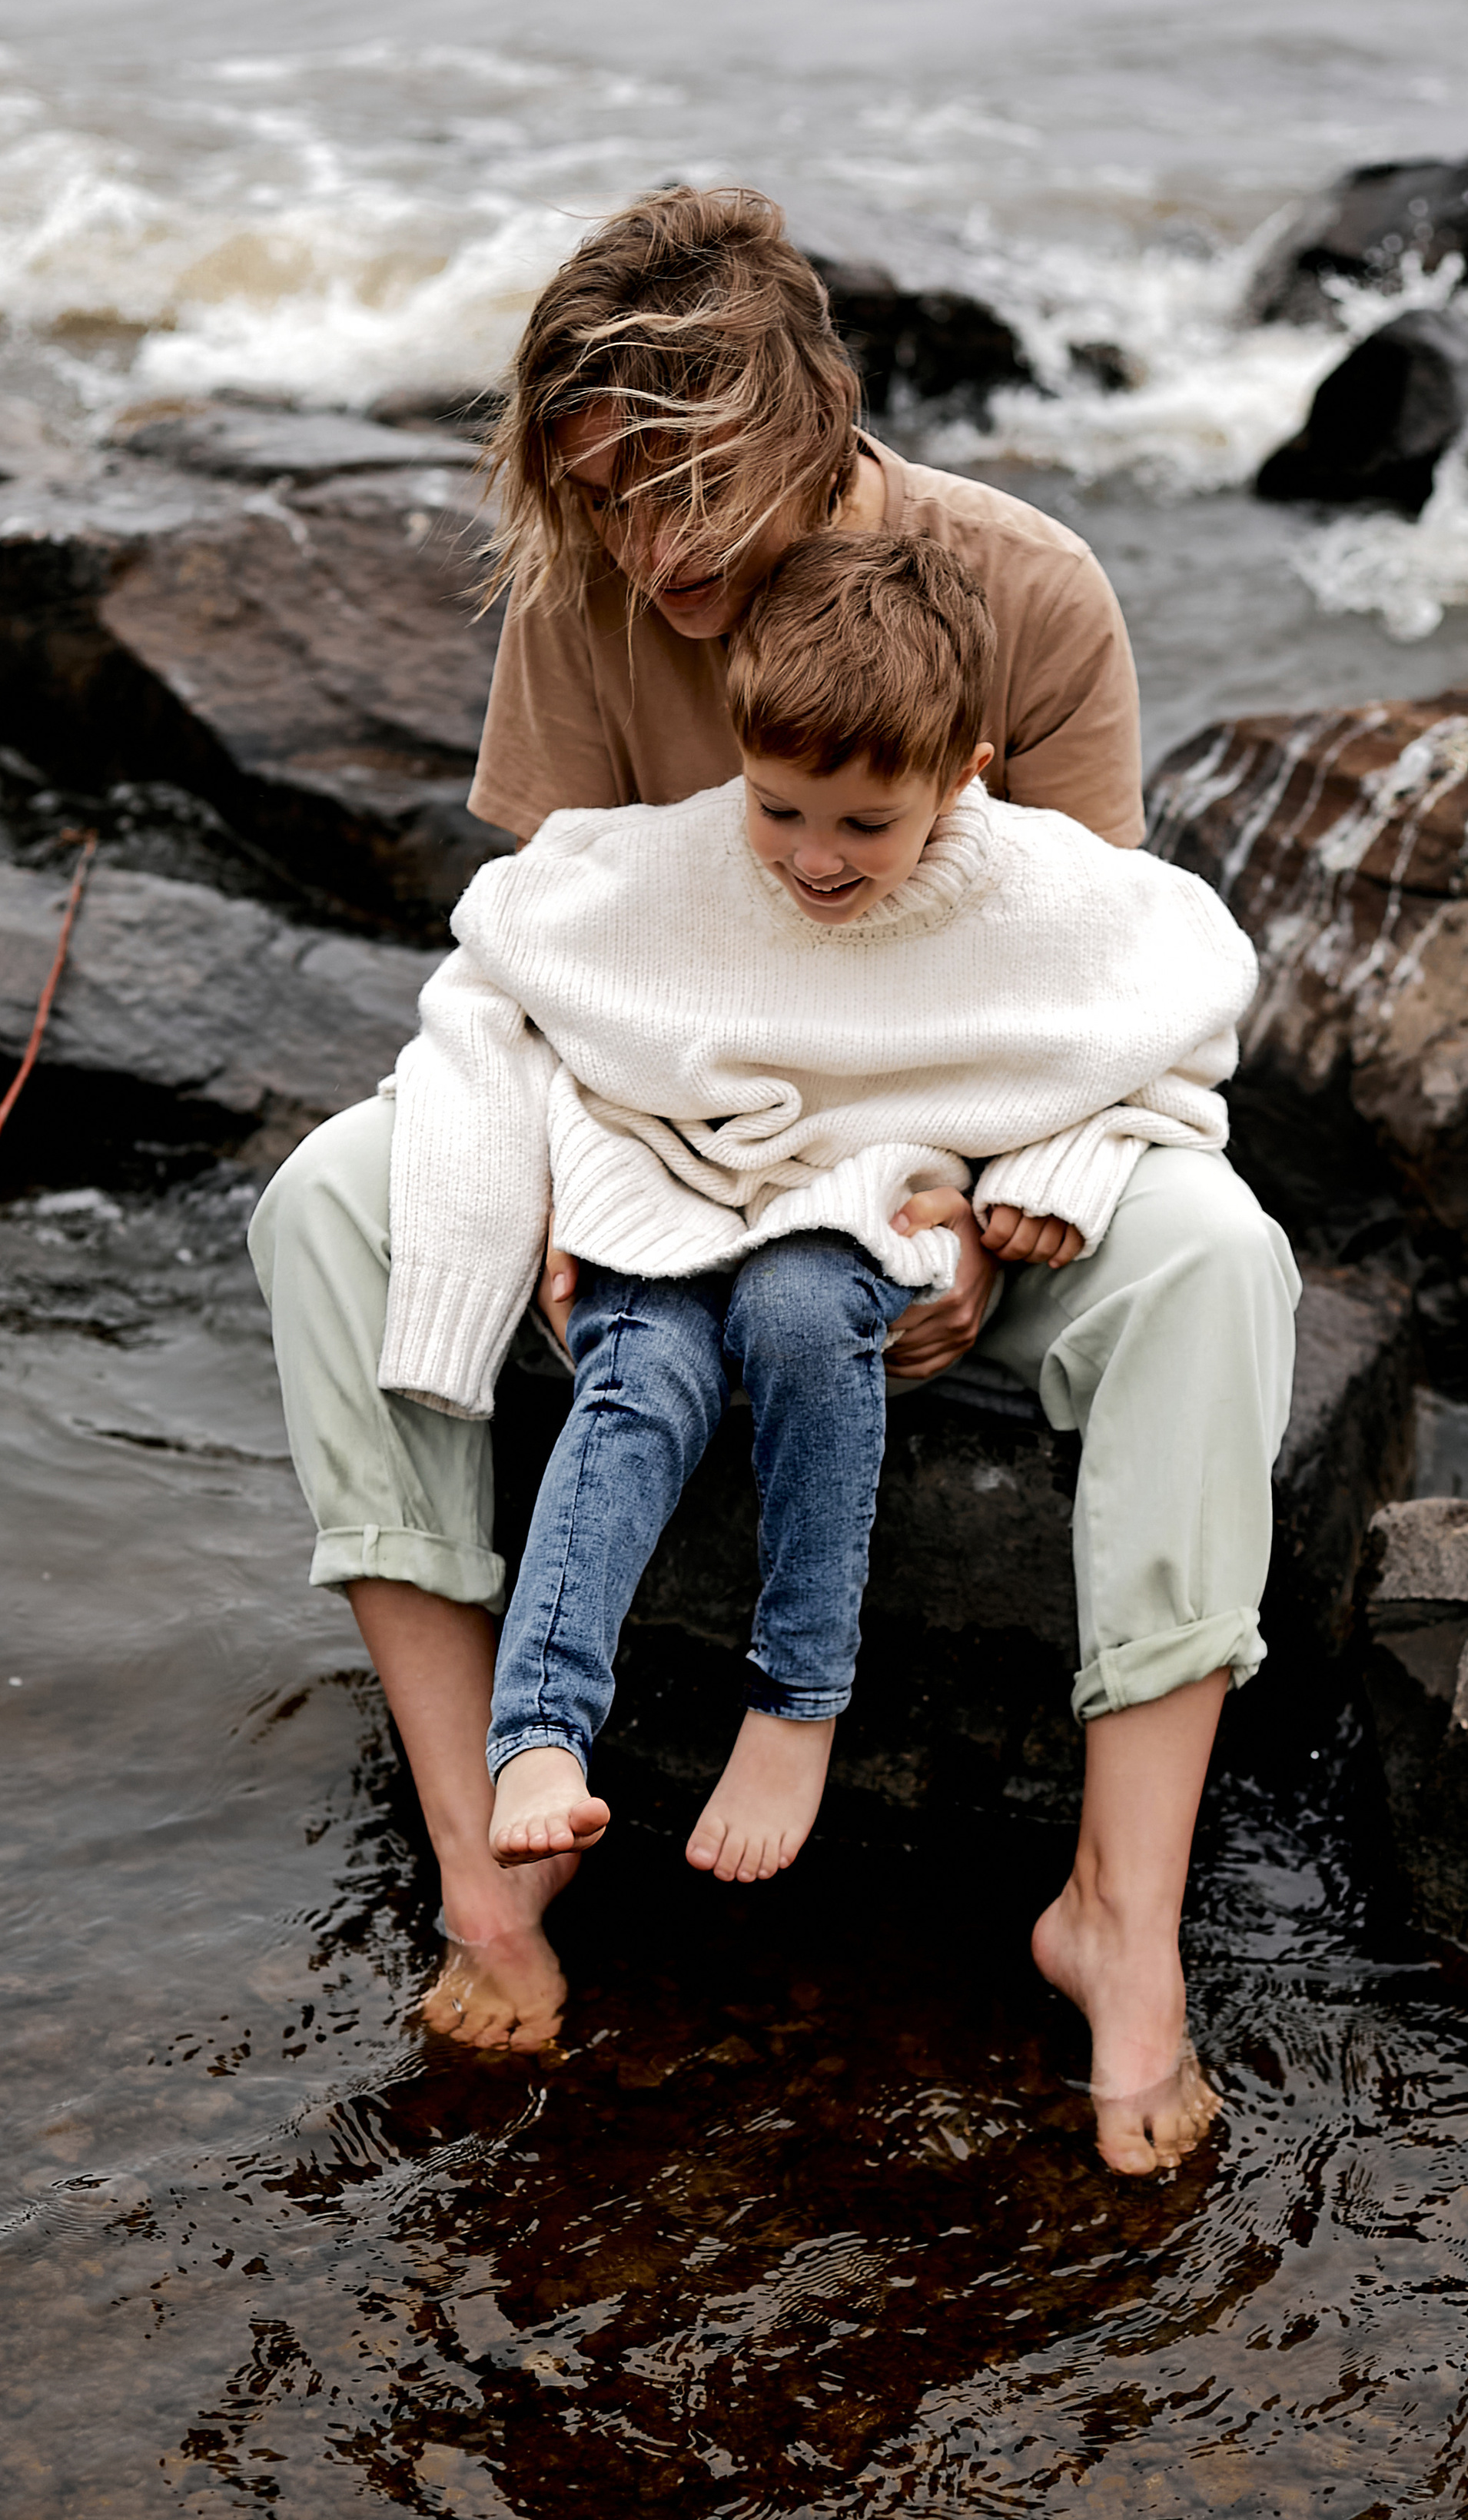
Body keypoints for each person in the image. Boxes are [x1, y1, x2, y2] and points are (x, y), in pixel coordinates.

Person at [248, 184, 1300, 2175]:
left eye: (686, 492)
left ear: (817, 419)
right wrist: (567, 1182)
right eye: (601, 498)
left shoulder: (1028, 590)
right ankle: (489, 1841)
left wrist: (986, 1207)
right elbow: (562, 953)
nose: (650, 549)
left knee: (1222, 1262)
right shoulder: (591, 589)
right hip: (675, 1124)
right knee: (326, 1200)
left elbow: (1089, 974)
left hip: (947, 1141)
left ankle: (1119, 1915)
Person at [387, 536, 1255, 1933]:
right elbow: (500, 948)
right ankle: (539, 1729)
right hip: (662, 1173)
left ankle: (796, 1703)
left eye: (864, 825)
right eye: (780, 810)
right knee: (640, 1375)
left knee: (800, 1311)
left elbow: (1187, 999)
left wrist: (1065, 1161)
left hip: (855, 1196)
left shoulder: (1033, 887)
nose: (814, 858)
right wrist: (504, 1226)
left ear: (963, 769)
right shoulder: (678, 858)